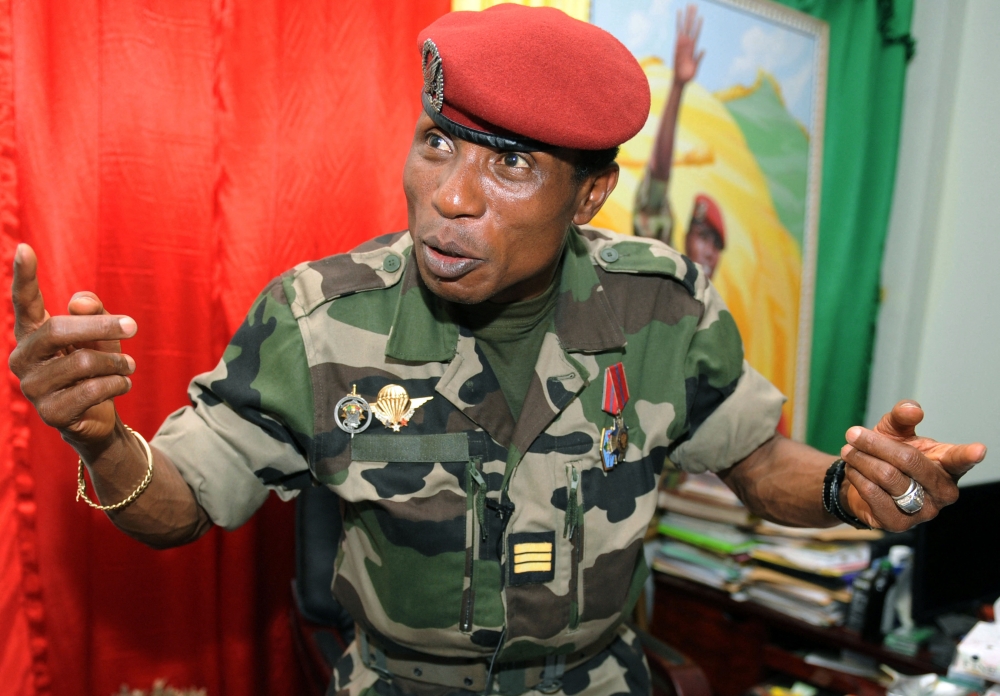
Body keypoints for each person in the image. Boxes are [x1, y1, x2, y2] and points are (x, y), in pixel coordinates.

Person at [7, 5, 986, 696]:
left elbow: (757, 459)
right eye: (439, 142)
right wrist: (103, 440)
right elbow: (180, 499)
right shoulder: (320, 315)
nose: (454, 195)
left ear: (589, 196)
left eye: (510, 163)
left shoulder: (656, 304)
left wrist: (845, 487)